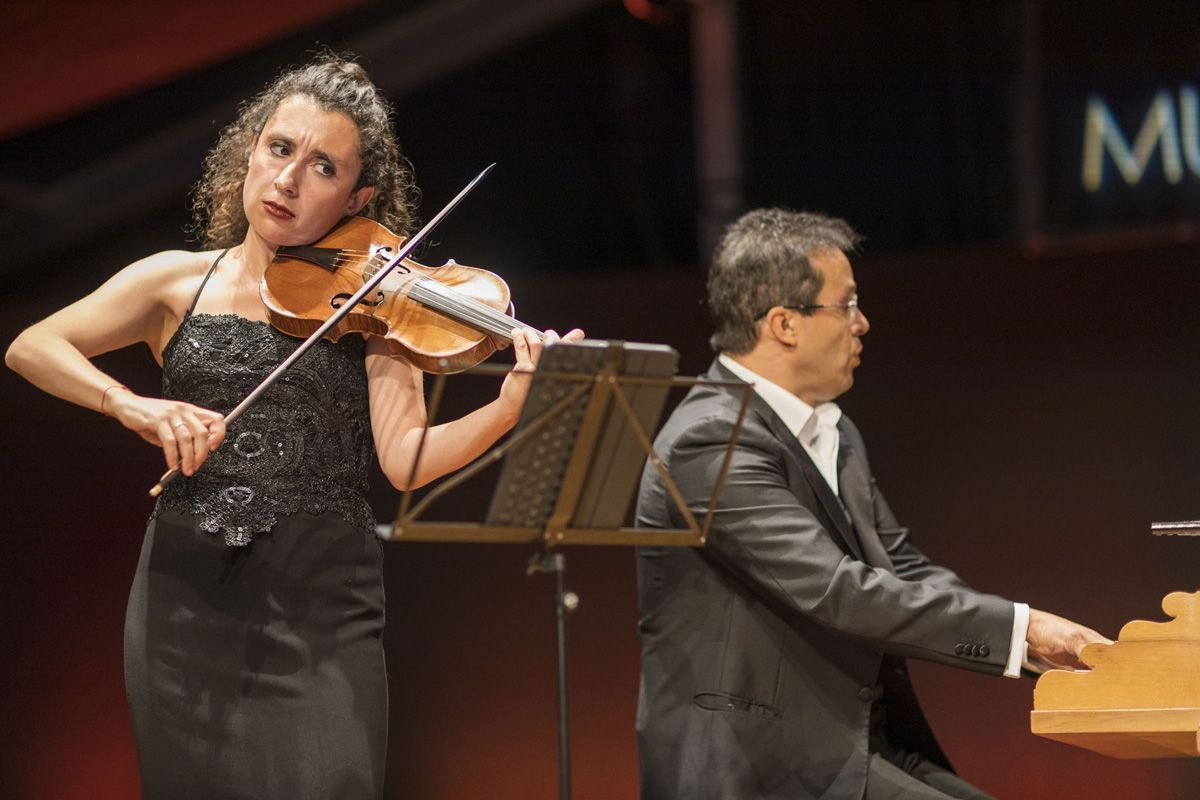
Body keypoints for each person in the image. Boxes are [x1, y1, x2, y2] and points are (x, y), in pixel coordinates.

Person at [6, 52, 582, 799]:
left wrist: (508, 406)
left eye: (323, 168)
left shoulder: (375, 303)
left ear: (357, 197)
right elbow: (32, 346)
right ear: (251, 150)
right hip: (185, 596)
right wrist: (131, 404)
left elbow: (405, 460)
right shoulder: (175, 282)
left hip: (322, 600)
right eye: (280, 149)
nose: (287, 179)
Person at [633, 208, 1108, 800]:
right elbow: (837, 590)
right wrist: (1024, 630)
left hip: (847, 747)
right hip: (758, 766)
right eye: (847, 305)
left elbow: (901, 567)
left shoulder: (834, 431)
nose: (862, 323)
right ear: (784, 323)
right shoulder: (710, 440)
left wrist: (1029, 638)